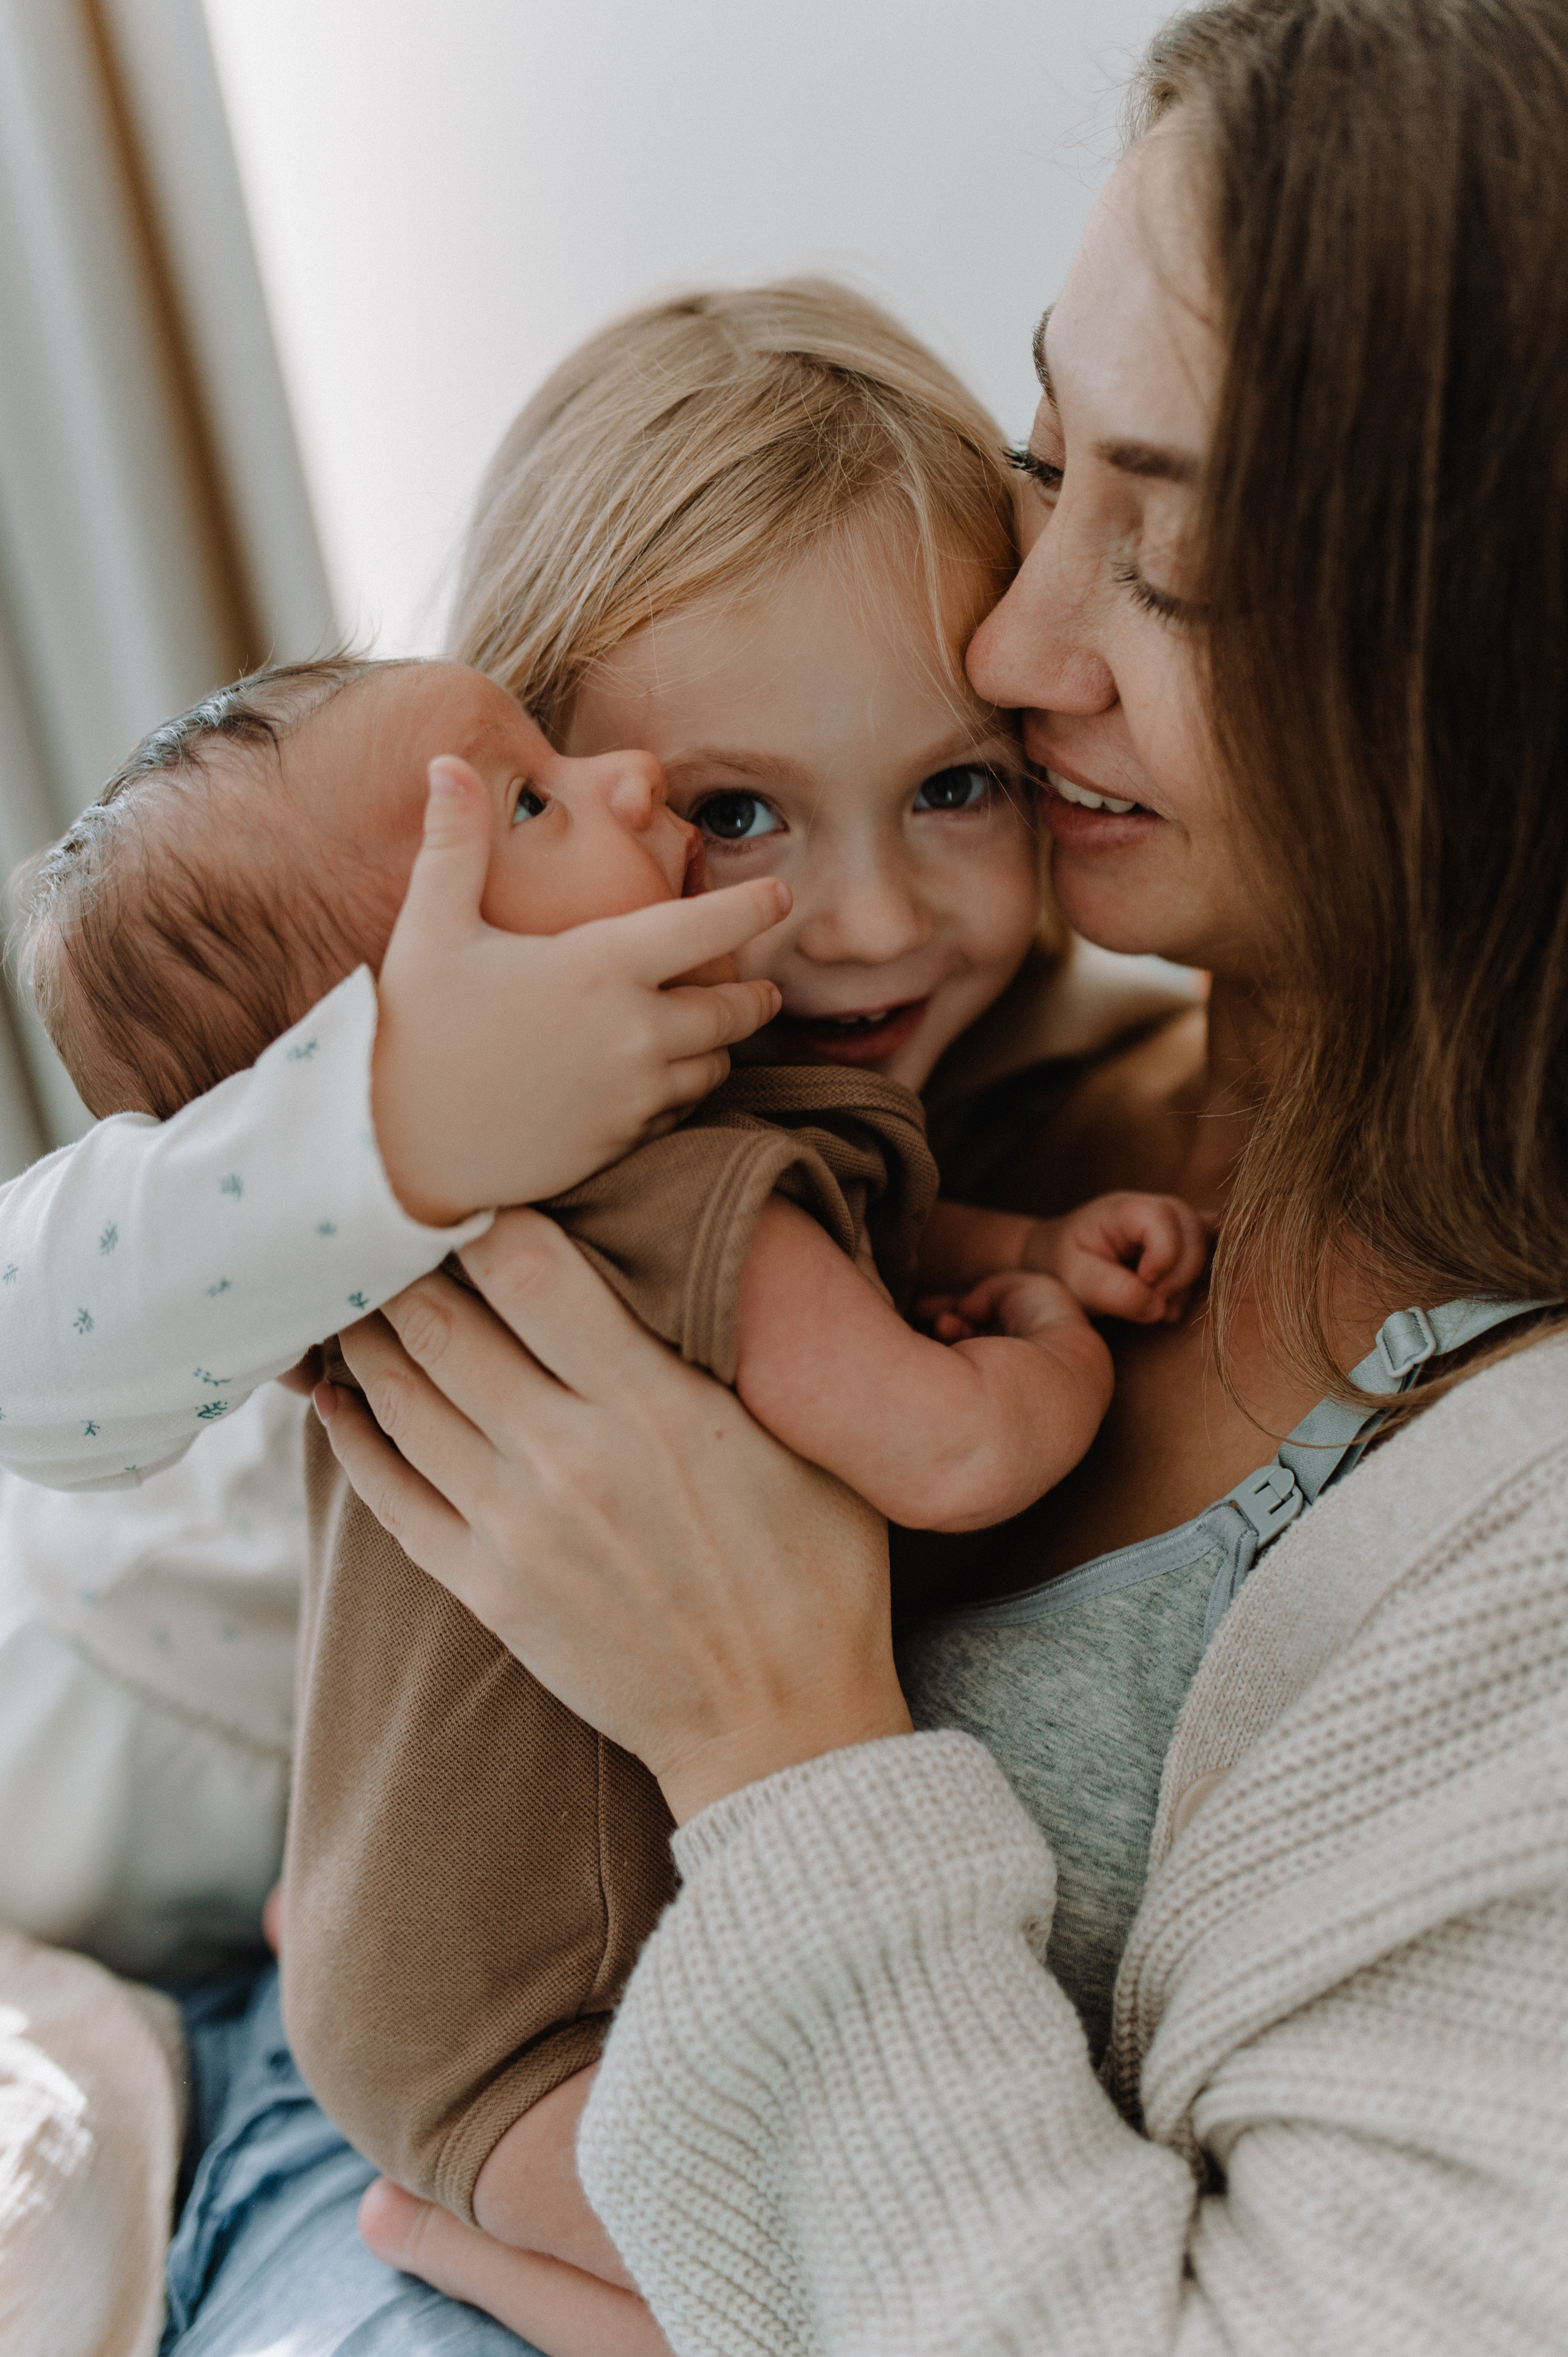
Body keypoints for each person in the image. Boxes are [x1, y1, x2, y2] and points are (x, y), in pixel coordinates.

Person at [299, 2, 1568, 2350]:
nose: (1007, 634)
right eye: (1044, 457)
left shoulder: (1514, 1549)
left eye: (1166, 558)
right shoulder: (972, 1106)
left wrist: (771, 1726)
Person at [0, 284, 1199, 2355]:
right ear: (531, 801)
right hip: (115, 1736)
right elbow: (34, 1367)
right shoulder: (427, 1103)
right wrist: (412, 1115)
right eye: (730, 813)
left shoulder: (1018, 1108)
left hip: (419, 1891)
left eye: (954, 789)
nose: (865, 920)